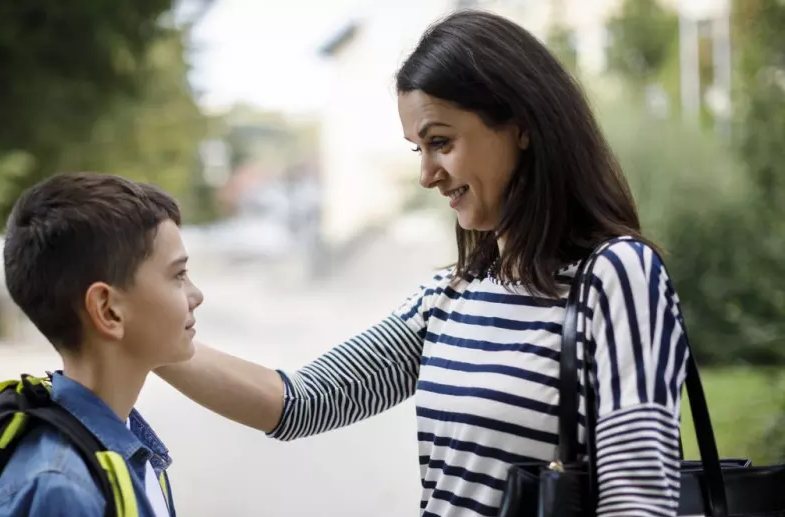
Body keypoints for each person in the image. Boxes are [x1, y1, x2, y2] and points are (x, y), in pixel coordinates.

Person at [156, 9, 689, 517]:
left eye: (441, 142)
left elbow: (637, 499)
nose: (427, 174)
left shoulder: (616, 276)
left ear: (522, 126)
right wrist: (148, 340)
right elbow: (302, 402)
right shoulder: (450, 296)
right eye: (419, 149)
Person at [0, 172, 204, 517]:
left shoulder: (124, 439)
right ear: (108, 310)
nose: (196, 295)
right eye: (178, 275)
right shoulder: (62, 491)